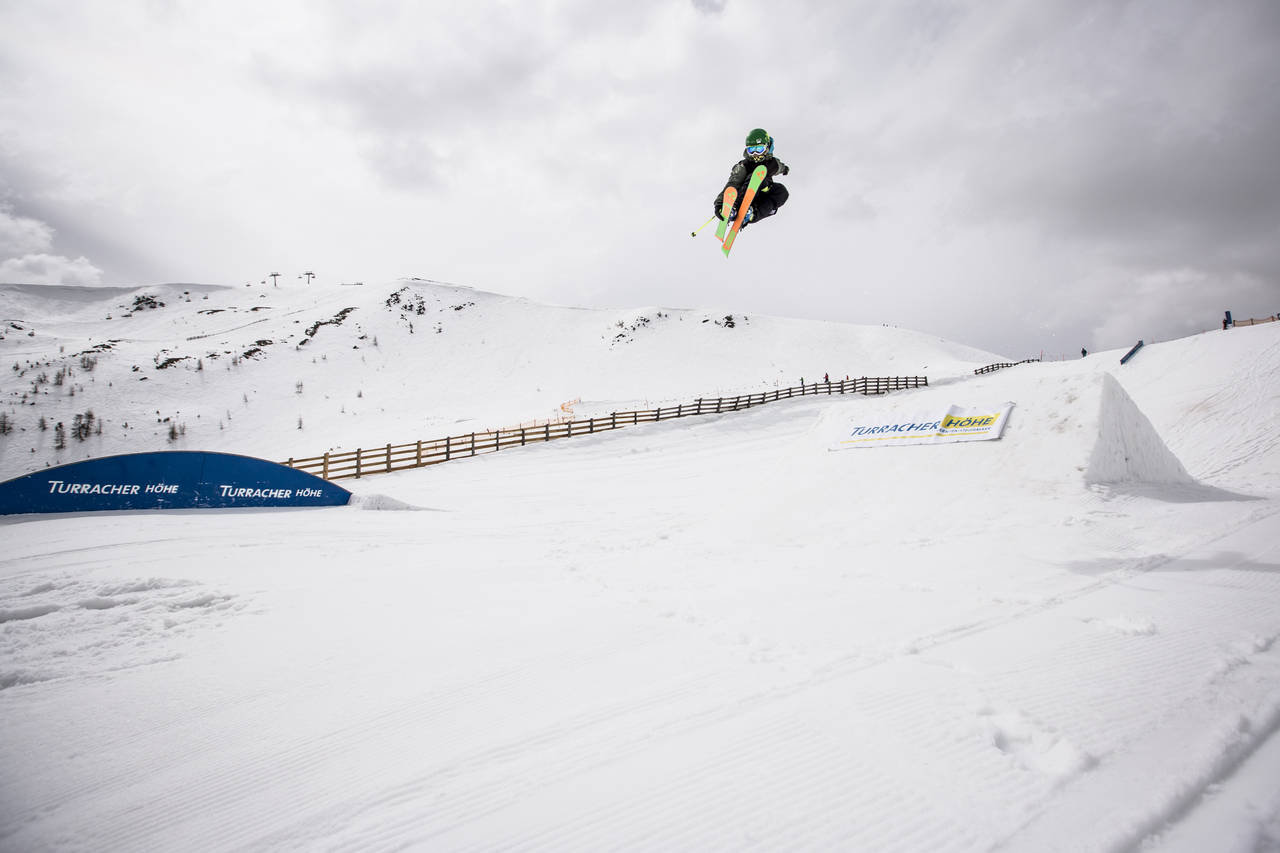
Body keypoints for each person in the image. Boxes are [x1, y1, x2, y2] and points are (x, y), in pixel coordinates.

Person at [713, 128, 790, 230]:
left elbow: (780, 167)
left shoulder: (773, 163)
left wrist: (785, 169)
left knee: (782, 191)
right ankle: (735, 209)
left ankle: (751, 214)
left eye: (759, 150)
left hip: (762, 195)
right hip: (743, 195)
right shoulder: (745, 165)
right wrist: (720, 203)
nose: (755, 154)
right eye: (751, 150)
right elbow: (733, 183)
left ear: (767, 148)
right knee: (756, 176)